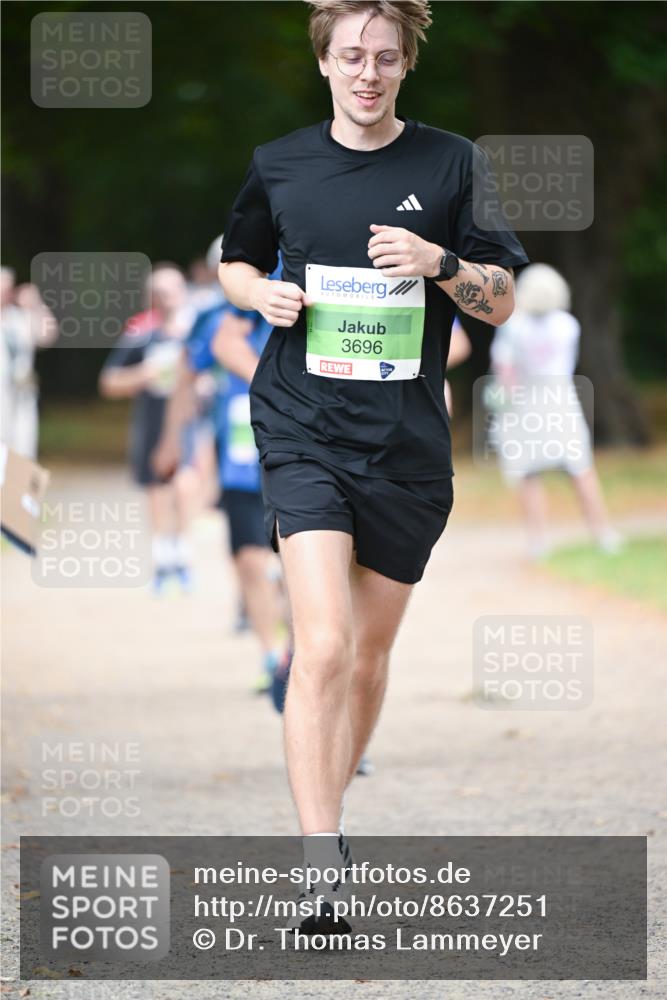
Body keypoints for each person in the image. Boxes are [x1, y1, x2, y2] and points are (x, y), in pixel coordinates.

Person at [218, 0, 528, 931]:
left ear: (404, 67)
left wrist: (438, 260)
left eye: (383, 58)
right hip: (301, 425)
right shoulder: (279, 162)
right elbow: (236, 259)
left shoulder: (451, 162)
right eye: (350, 55)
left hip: (403, 445)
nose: (366, 71)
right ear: (324, 63)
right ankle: (320, 868)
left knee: (366, 656)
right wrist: (258, 292)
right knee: (320, 645)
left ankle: (333, 816)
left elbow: (502, 299)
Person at [153, 265, 289, 691]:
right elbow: (187, 376)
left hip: (297, 456)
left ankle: (303, 655)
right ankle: (273, 659)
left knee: (295, 566)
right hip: (241, 460)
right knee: (250, 561)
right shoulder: (216, 317)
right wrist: (172, 440)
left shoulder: (301, 295)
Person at [489, 263, 622, 559]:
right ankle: (603, 533)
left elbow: (505, 372)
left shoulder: (513, 326)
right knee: (581, 468)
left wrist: (499, 406)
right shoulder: (567, 325)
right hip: (561, 401)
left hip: (524, 405)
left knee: (528, 473)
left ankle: (538, 540)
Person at [98, 264, 197, 594]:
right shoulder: (140, 335)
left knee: (186, 487)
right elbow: (109, 381)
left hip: (192, 425)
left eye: (173, 291)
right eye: (160, 293)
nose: (167, 299)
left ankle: (182, 557)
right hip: (152, 425)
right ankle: (162, 562)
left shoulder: (197, 331)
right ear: (151, 297)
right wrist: (145, 374)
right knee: (157, 492)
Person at [1, 267, 58, 458]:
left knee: (24, 448)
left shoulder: (21, 318)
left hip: (22, 393)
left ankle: (20, 488)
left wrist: (36, 305)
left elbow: (47, 336)